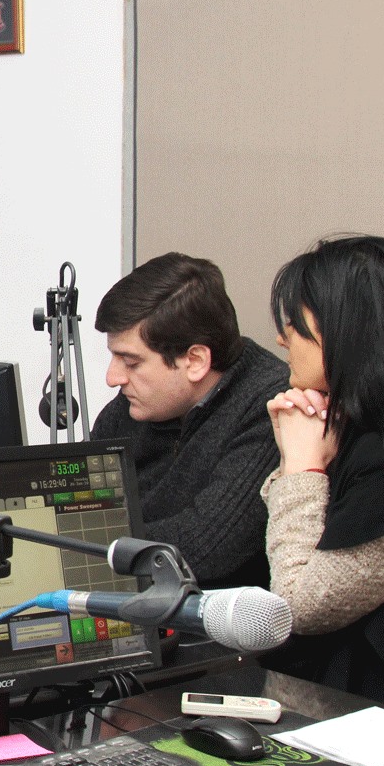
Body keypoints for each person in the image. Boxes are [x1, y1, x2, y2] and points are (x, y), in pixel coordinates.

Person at [263, 235, 384, 713]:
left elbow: (300, 606)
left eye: (294, 323)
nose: (282, 338)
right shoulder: (377, 428)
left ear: (348, 330)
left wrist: (302, 466)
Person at [91, 252, 289, 589]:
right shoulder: (133, 406)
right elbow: (81, 511)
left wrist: (93, 544)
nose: (113, 378)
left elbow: (206, 547)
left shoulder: (270, 406)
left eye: (131, 362)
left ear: (195, 361)